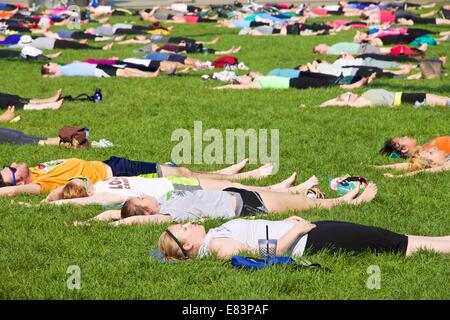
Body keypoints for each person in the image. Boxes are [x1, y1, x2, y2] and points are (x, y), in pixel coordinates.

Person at [159, 216, 450, 260]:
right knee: (390, 244)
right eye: (184, 228)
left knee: (384, 237)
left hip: (306, 232)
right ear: (187, 246)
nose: (188, 223)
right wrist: (295, 230)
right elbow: (263, 253)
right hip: (311, 240)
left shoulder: (213, 236)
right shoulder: (217, 246)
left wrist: (286, 222)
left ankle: (443, 241)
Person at [113, 182, 377, 225]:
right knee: (303, 206)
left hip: (235, 194)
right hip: (246, 206)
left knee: (297, 200)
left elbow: (119, 214)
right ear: (146, 211)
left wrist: (115, 215)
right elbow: (133, 219)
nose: (144, 194)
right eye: (140, 198)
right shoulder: (169, 214)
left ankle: (311, 195)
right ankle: (346, 202)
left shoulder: (163, 200)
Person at [0, 157, 274, 195]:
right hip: (117, 176)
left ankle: (225, 173)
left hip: (113, 163)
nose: (13, 164)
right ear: (20, 181)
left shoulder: (35, 168)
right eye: (12, 171)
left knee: (184, 172)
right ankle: (250, 176)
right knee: (184, 177)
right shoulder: (38, 183)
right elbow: (9, 191)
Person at [44, 172, 315, 206]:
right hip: (175, 192)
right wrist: (52, 203)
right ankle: (290, 192)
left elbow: (65, 190)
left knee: (229, 185)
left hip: (170, 183)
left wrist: (58, 192)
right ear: (86, 193)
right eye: (84, 183)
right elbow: (72, 201)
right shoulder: (103, 195)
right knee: (232, 190)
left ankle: (277, 187)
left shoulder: (100, 184)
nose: (87, 180)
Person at [213, 72, 375, 90]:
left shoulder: (257, 78)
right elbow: (236, 88)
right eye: (240, 78)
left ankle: (350, 84)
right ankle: (350, 87)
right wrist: (218, 89)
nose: (243, 76)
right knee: (324, 85)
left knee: (323, 83)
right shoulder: (255, 84)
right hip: (293, 84)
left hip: (293, 80)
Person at [319, 89, 450, 108]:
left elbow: (335, 101)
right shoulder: (359, 103)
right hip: (401, 99)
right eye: (347, 95)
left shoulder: (363, 96)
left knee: (443, 98)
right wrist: (316, 107)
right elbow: (335, 103)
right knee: (443, 101)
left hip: (401, 95)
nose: (351, 92)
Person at [40, 62, 161, 78]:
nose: (52, 63)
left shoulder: (62, 66)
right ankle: (149, 76)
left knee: (126, 68)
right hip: (97, 72)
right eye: (49, 65)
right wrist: (46, 76)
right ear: (50, 71)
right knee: (124, 73)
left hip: (97, 66)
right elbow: (46, 77)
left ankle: (150, 74)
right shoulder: (60, 72)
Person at [380, 135, 450, 158]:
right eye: (402, 138)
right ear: (404, 149)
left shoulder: (424, 148)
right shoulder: (427, 153)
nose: (406, 136)